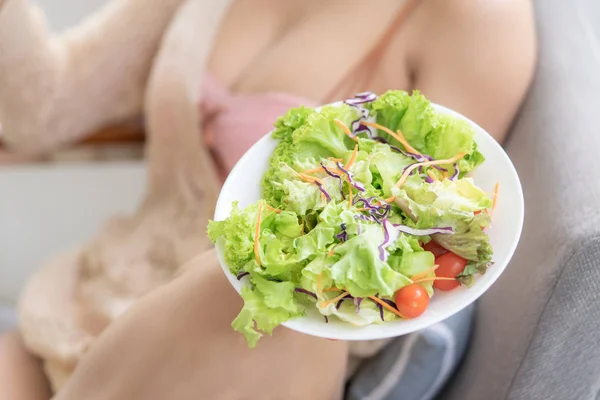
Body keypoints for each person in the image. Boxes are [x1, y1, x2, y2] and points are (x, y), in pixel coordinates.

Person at [0, 0, 536, 398]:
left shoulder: (473, 19)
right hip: (95, 303)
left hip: (260, 355)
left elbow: (440, 240)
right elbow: (39, 109)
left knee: (247, 289)